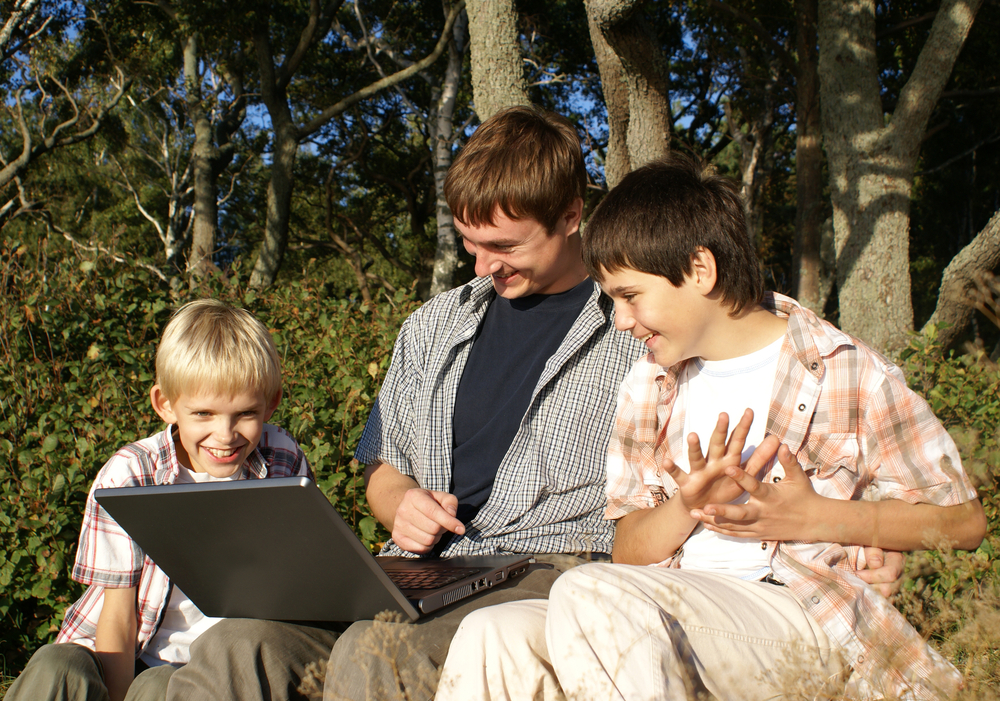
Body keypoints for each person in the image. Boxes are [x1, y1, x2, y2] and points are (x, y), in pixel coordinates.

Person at [162, 108, 902, 701]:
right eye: (469, 244)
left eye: (505, 247)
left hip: (550, 564)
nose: (483, 267)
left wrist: (853, 512)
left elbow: (767, 346)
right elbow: (384, 468)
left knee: (376, 654)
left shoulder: (643, 324)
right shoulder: (433, 324)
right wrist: (401, 501)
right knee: (237, 645)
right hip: (414, 569)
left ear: (572, 214)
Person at [435, 155, 987, 701]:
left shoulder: (846, 369)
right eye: (611, 301)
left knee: (588, 592)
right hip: (672, 599)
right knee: (493, 632)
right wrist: (686, 506)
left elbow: (963, 522)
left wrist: (822, 518)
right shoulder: (648, 388)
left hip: (802, 612)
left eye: (630, 296)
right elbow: (627, 551)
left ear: (700, 270)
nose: (620, 320)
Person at [3, 299, 315, 701]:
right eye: (203, 413)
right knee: (56, 666)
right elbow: (117, 616)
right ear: (166, 405)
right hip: (118, 652)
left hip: (209, 666)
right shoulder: (131, 475)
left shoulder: (282, 459)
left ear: (270, 404)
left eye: (245, 414)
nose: (225, 434)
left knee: (158, 687)